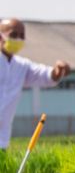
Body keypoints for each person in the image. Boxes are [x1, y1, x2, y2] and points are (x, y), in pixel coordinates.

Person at [0, 18, 71, 149]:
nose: (18, 40)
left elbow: (44, 75)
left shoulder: (21, 66)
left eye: (22, 36)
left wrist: (57, 71)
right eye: (13, 35)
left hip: (2, 141)